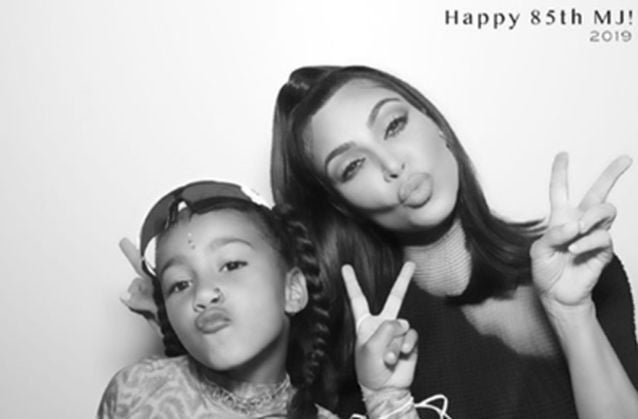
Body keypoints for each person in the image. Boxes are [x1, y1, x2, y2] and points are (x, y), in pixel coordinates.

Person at [270, 65, 638, 418]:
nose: (392, 164)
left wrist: (571, 315)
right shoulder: (361, 342)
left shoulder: (573, 269)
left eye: (394, 125)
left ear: (435, 124)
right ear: (341, 203)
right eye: (352, 166)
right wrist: (385, 402)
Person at [99, 180, 424, 419]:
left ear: (293, 291)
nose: (203, 293)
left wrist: (387, 399)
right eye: (180, 284)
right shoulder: (136, 390)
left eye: (231, 265)